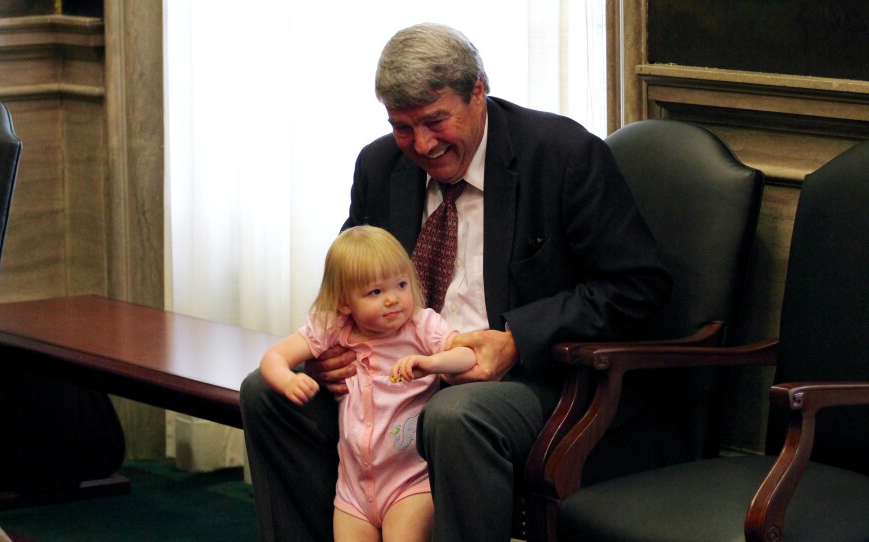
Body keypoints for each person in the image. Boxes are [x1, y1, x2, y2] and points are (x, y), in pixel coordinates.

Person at [240, 22, 672, 542]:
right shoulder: (380, 167)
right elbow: (346, 285)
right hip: (390, 376)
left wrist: (517, 339)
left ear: (478, 92)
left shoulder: (560, 156)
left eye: (435, 120)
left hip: (530, 379)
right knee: (266, 392)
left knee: (454, 415)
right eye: (403, 127)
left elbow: (638, 285)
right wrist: (332, 350)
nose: (422, 144)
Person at [259, 225, 475, 542]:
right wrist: (287, 380)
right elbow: (274, 358)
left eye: (401, 285)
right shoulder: (334, 327)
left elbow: (466, 356)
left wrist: (431, 363)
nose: (393, 300)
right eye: (375, 292)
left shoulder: (419, 325)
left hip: (409, 483)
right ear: (345, 302)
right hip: (353, 492)